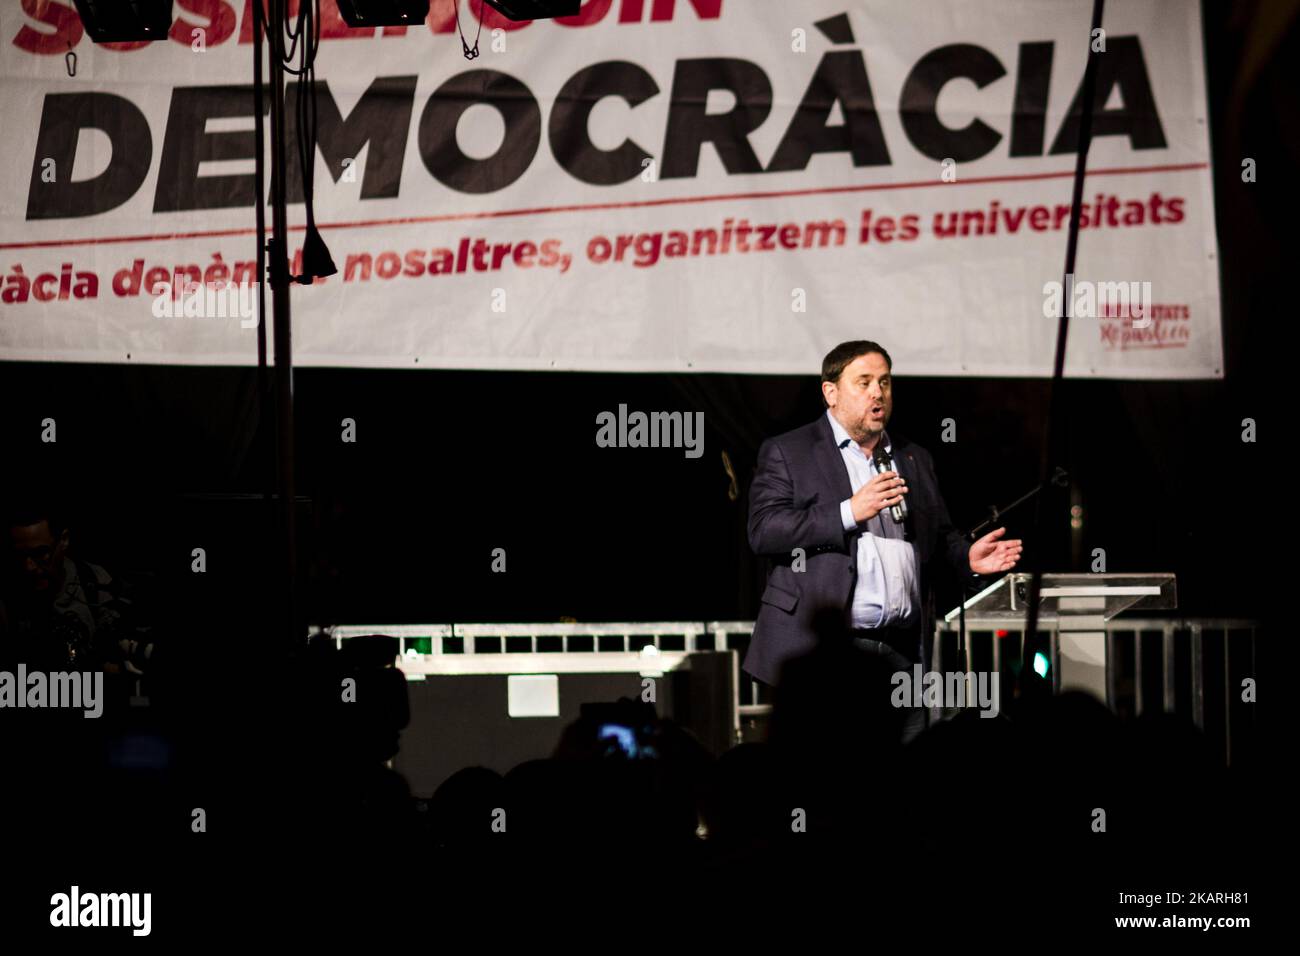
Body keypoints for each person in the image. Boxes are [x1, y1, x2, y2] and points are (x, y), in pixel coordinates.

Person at [745, 341, 1022, 738]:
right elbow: (764, 530)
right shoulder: (790, 451)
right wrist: (848, 512)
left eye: (885, 382)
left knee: (900, 780)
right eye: (864, 382)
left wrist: (967, 558)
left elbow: (939, 538)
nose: (878, 392)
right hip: (826, 652)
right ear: (831, 392)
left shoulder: (913, 457)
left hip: (903, 651)